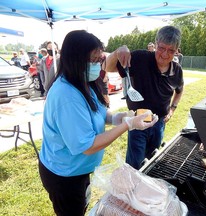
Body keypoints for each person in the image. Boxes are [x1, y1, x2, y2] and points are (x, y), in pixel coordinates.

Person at [38, 30, 158, 216]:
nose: (97, 65)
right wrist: (127, 125)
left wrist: (121, 118)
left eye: (98, 59)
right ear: (75, 59)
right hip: (65, 175)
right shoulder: (66, 96)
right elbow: (87, 146)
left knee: (81, 206)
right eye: (92, 60)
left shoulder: (83, 82)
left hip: (79, 170)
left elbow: (101, 114)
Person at [105, 26, 184, 170]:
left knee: (152, 162)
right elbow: (107, 67)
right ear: (156, 43)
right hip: (137, 122)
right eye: (161, 48)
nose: (165, 54)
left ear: (177, 50)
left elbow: (179, 90)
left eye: (171, 50)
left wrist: (172, 109)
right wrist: (117, 53)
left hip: (159, 123)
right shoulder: (140, 58)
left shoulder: (177, 70)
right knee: (135, 167)